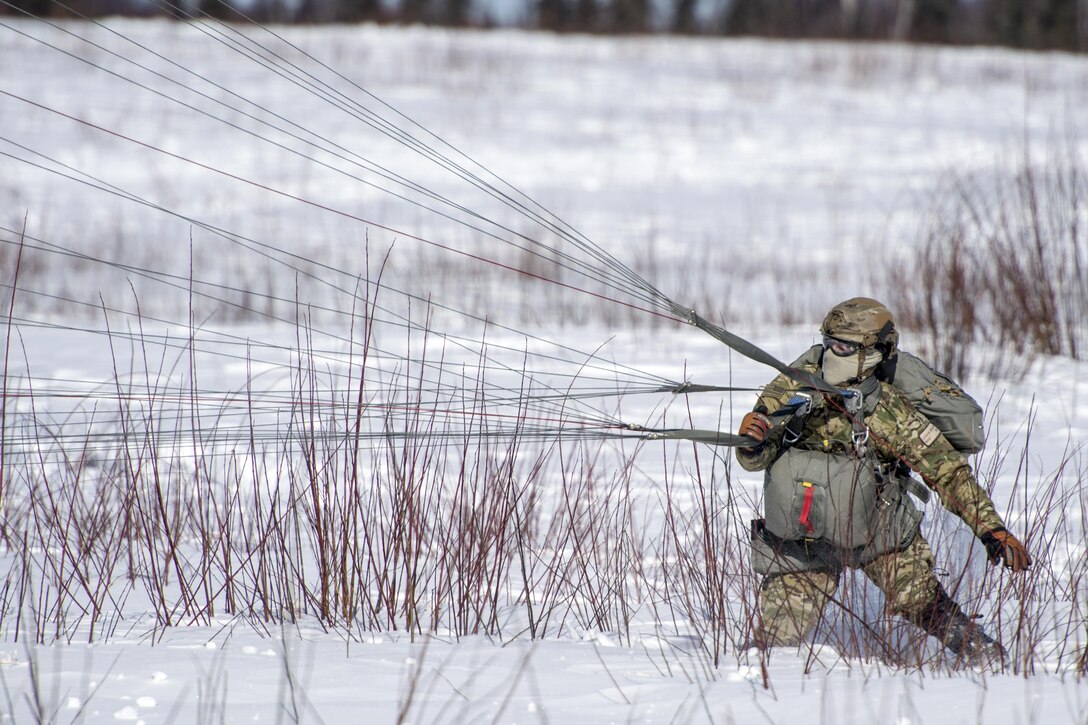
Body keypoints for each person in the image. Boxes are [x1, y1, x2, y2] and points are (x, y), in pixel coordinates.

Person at [735, 297, 1031, 666]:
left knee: (923, 603)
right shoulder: (792, 387)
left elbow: (948, 473)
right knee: (772, 646)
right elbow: (756, 458)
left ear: (875, 352)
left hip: (880, 530)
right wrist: (752, 442)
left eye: (844, 346)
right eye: (828, 342)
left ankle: (992, 663)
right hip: (804, 536)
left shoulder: (892, 411)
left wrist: (992, 530)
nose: (832, 353)